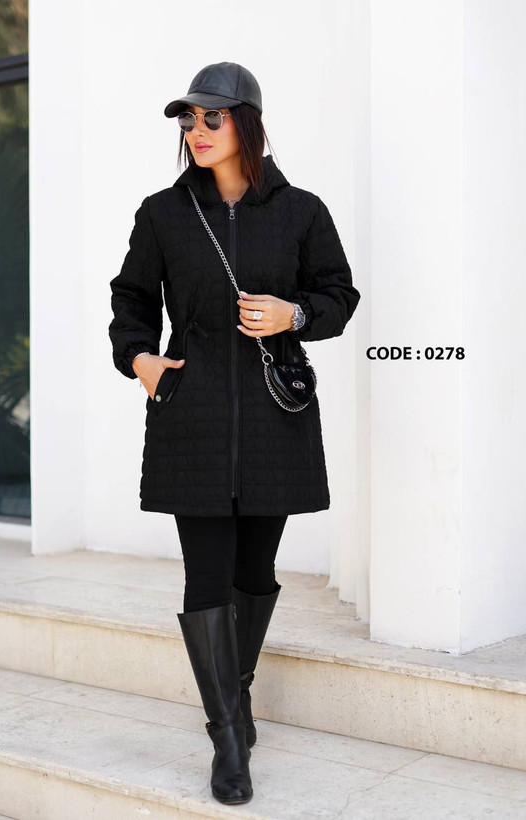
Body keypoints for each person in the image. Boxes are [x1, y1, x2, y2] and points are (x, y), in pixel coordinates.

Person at [108, 61, 360, 805]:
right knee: (207, 575)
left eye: (211, 117)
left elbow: (339, 294)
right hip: (191, 417)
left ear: (247, 122)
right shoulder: (163, 213)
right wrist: (141, 360)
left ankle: (237, 690)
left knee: (256, 571)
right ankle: (226, 736)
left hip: (275, 419)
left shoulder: (301, 211)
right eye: (189, 119)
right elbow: (130, 298)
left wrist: (294, 314)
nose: (197, 130)